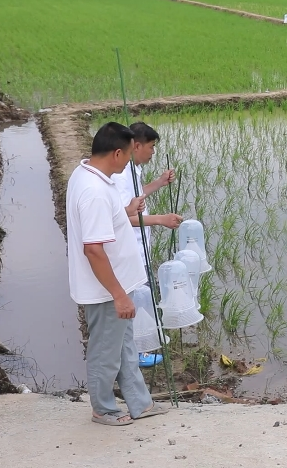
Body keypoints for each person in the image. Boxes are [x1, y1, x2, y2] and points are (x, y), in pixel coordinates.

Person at [66, 121, 169, 426]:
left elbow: (105, 220)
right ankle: (103, 409)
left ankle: (140, 403)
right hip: (106, 289)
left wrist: (125, 211)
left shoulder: (88, 173)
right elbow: (93, 249)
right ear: (116, 153)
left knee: (124, 348)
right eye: (126, 156)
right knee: (105, 352)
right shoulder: (94, 190)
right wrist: (120, 295)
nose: (128, 164)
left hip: (115, 285)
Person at [111, 121, 182, 368]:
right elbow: (123, 217)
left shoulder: (133, 169)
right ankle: (138, 351)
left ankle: (138, 346)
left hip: (138, 248)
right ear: (137, 145)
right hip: (130, 251)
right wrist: (161, 220)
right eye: (151, 147)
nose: (153, 152)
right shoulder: (121, 176)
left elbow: (137, 196)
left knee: (141, 297)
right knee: (136, 300)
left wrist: (160, 182)